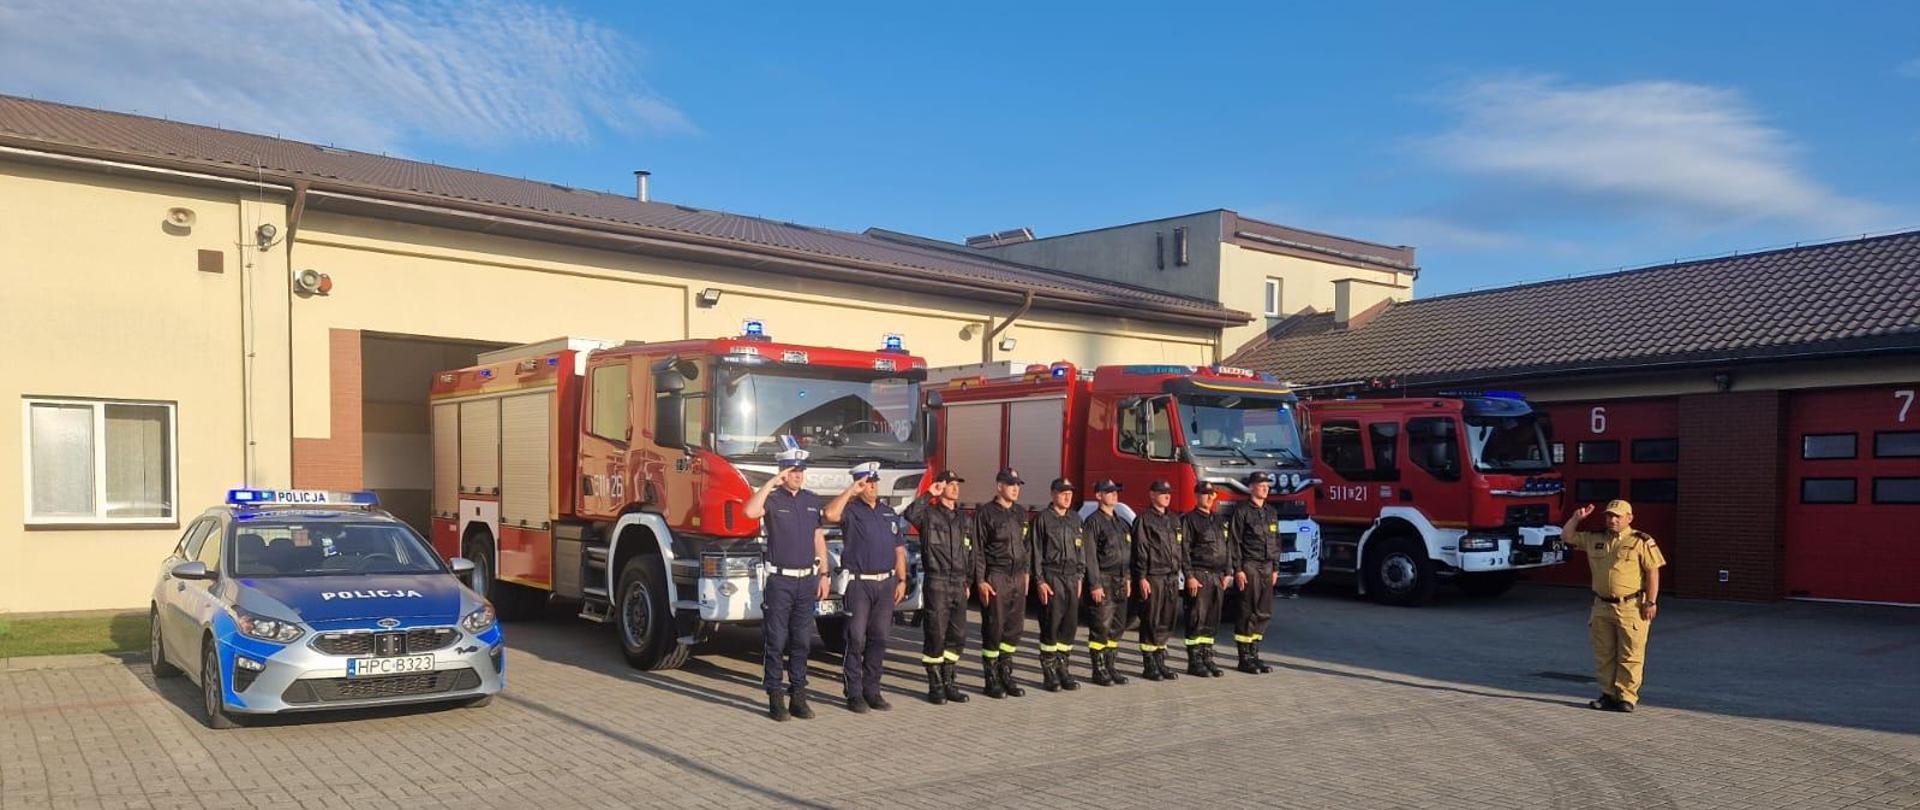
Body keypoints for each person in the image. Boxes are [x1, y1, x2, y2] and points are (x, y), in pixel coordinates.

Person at [742, 441, 828, 721]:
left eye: (801, 470)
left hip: (806, 580)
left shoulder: (811, 500)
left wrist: (824, 573)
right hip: (780, 580)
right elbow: (749, 512)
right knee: (776, 640)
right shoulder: (773, 498)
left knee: (802, 641)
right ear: (782, 472)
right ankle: (774, 696)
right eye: (792, 470)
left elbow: (818, 538)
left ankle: (798, 696)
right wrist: (770, 483)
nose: (798, 475)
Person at [1561, 500, 1666, 713]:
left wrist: (1651, 601)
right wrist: (1576, 519)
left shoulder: (1641, 541)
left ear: (1629, 518)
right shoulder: (1595, 538)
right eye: (1609, 516)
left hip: (1631, 605)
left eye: (1618, 516)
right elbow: (1567, 537)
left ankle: (1626, 697)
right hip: (1602, 605)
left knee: (1631, 653)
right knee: (1604, 653)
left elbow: (1653, 571)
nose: (1613, 520)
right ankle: (1608, 694)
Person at [823, 462, 910, 714]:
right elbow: (829, 514)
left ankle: (872, 690)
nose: (872, 486)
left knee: (879, 638)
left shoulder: (887, 512)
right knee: (855, 638)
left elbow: (898, 549)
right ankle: (854, 692)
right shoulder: (850, 510)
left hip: (886, 584)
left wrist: (902, 580)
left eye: (874, 482)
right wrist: (851, 490)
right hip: (859, 583)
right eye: (866, 482)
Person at [901, 470, 972, 705]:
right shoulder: (929, 515)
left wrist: (968, 581)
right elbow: (910, 513)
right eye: (950, 484)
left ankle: (950, 680)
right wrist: (928, 493)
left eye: (957, 484)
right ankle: (935, 685)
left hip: (959, 583)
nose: (955, 488)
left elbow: (969, 552)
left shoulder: (963, 518)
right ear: (941, 487)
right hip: (938, 581)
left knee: (958, 635)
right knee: (935, 633)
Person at [972, 468, 1031, 698]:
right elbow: (977, 550)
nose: (1016, 489)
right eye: (1011, 484)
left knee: (1013, 629)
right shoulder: (986, 513)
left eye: (1018, 484)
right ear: (999, 486)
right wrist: (980, 581)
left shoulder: (1020, 513)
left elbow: (1026, 546)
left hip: (1017, 577)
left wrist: (1026, 572)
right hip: (996, 576)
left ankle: (1007, 674)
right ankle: (991, 679)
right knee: (994, 628)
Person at [1029, 478, 1092, 692]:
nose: (1067, 496)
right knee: (1051, 627)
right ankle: (1049, 673)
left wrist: (1081, 576)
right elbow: (1035, 553)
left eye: (1070, 492)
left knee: (1069, 627)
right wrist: (1040, 581)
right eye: (1063, 492)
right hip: (1052, 577)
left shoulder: (1075, 519)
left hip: (1072, 579)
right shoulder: (1043, 519)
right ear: (1053, 494)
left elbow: (1080, 550)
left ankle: (1064, 669)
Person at [1230, 471, 1283, 675]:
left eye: (1267, 485)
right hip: (1250, 566)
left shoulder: (1271, 512)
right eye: (1261, 485)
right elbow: (1234, 542)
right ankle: (1244, 658)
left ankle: (1255, 654)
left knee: (1264, 611)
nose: (1265, 488)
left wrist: (1276, 567)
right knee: (1247, 611)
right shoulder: (1242, 511)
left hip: (1267, 567)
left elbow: (1277, 541)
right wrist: (1238, 569)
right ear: (1251, 487)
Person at [1130, 480, 1183, 682]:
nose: (1167, 496)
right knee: (1151, 619)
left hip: (1170, 577)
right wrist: (1142, 577)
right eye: (1162, 493)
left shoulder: (1174, 519)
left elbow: (1179, 548)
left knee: (1166, 620)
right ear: (1152, 495)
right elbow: (1140, 550)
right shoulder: (1144, 519)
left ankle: (1160, 660)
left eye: (1168, 493)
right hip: (1153, 576)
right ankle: (1149, 664)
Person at [1082, 479, 1132, 686]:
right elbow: (1090, 556)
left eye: (1116, 492)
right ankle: (1099, 669)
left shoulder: (1120, 522)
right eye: (1109, 492)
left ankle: (1111, 666)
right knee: (1100, 627)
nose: (1114, 495)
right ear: (1099, 496)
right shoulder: (1093, 522)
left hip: (1120, 580)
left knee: (1117, 627)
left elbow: (1127, 553)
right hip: (1103, 579)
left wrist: (1128, 578)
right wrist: (1094, 584)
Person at [1180, 482, 1233, 677]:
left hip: (1218, 577)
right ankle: (1194, 662)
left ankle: (1207, 658)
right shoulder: (1189, 520)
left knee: (1212, 620)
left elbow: (1227, 548)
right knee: (1196, 618)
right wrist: (1190, 576)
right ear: (1197, 496)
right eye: (1205, 494)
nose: (1210, 498)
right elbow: (1184, 550)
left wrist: (1229, 572)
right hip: (1200, 575)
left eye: (1212, 494)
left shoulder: (1219, 520)